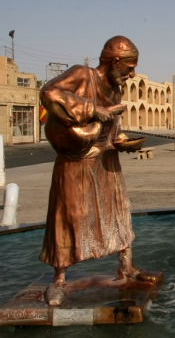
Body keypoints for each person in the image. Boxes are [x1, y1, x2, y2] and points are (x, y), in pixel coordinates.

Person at [40, 36, 156, 305]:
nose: (132, 74)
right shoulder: (82, 74)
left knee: (117, 211)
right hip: (77, 159)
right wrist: (92, 108)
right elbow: (49, 93)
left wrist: (122, 140)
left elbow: (112, 124)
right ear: (115, 62)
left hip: (106, 159)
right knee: (69, 216)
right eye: (129, 68)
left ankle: (126, 267)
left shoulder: (116, 87)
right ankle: (59, 281)